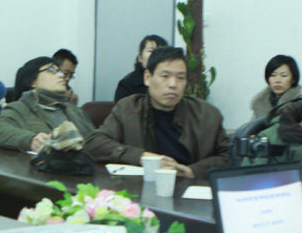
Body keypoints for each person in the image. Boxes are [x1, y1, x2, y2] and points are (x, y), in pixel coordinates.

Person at [85, 46, 229, 178]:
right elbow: (93, 144)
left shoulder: (207, 114)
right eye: (165, 76)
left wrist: (193, 171)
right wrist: (142, 157)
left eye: (180, 78)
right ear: (148, 77)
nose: (173, 84)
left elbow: (229, 156)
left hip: (190, 189)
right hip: (138, 189)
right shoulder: (128, 109)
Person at [0, 57, 95, 152]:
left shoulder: (75, 110)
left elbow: (94, 141)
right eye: (51, 70)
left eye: (60, 71)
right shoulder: (20, 108)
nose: (61, 75)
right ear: (32, 82)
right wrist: (30, 140)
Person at [114, 34, 168, 102]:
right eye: (151, 51)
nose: (156, 55)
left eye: (160, 51)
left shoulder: (172, 82)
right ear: (140, 58)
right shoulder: (127, 85)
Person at [250, 55, 301, 120]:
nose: (277, 80)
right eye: (273, 75)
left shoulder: (299, 103)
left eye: (283, 75)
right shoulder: (260, 104)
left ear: (293, 79)